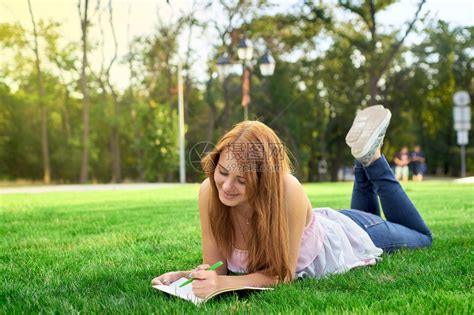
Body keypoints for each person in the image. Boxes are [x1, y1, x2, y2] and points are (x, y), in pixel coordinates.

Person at [151, 105, 432, 298]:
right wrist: (184, 276)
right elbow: (218, 267)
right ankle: (364, 158)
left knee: (422, 237)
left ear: (263, 180)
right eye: (223, 172)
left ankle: (371, 160)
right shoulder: (209, 192)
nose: (226, 186)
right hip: (323, 224)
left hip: (354, 230)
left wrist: (221, 284)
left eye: (242, 180)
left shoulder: (287, 190)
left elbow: (281, 275)